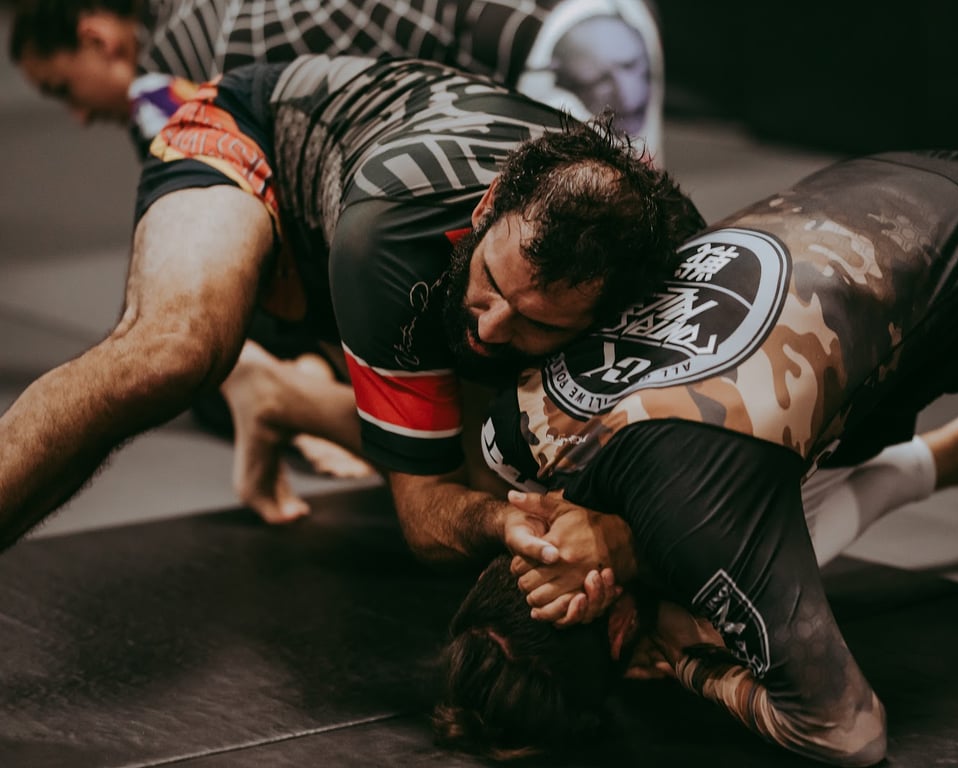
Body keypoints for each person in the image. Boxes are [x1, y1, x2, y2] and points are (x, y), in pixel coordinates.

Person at [437, 149, 958, 764]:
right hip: (871, 203)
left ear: (623, 631)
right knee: (727, 567)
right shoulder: (513, 437)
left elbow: (848, 732)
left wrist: (686, 662)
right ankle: (951, 457)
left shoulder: (693, 514)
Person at [0, 53, 703, 560]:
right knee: (173, 351)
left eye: (539, 321)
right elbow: (424, 515)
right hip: (252, 139)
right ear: (490, 206)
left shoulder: (665, 248)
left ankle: (281, 400)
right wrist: (499, 527)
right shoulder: (391, 237)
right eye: (492, 281)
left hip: (366, 212)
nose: (492, 325)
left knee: (513, 475)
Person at [9, 0, 666, 158]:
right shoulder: (196, 17)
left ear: (97, 39)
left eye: (63, 89)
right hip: (592, 22)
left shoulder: (167, 80)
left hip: (567, 43)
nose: (77, 115)